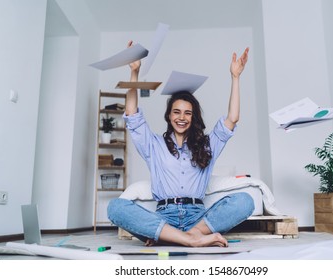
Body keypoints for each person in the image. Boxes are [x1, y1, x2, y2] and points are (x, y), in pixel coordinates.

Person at [107, 41, 254, 247]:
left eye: (188, 113)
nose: (181, 117)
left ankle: (185, 236)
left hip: (198, 219)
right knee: (115, 207)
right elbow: (132, 114)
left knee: (245, 201)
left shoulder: (207, 145)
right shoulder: (154, 145)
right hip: (163, 218)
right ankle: (190, 240)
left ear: (193, 118)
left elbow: (232, 118)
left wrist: (235, 77)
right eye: (176, 112)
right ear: (169, 115)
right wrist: (135, 72)